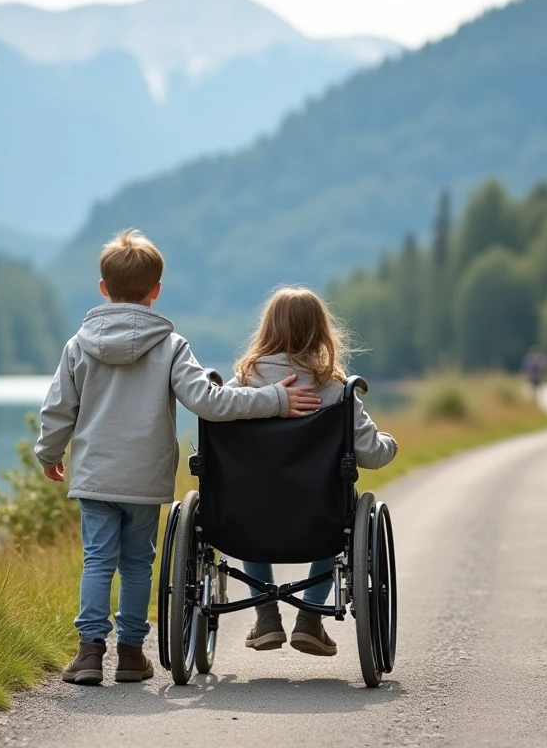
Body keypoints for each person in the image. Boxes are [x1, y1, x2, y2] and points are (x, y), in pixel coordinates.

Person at [35, 230, 323, 686]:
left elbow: (58, 410)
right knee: (135, 563)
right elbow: (210, 403)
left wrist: (48, 454)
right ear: (156, 290)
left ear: (103, 289)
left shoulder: (79, 345)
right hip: (145, 478)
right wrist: (275, 400)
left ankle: (90, 654)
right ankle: (131, 654)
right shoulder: (171, 346)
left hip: (94, 474)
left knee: (97, 559)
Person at [228, 286, 397, 657]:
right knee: (342, 505)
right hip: (319, 519)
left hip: (247, 518)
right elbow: (371, 454)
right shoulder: (337, 390)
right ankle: (309, 619)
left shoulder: (242, 385)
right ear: (321, 332)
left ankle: (267, 616)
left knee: (250, 503)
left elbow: (214, 421)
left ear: (267, 329)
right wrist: (390, 443)